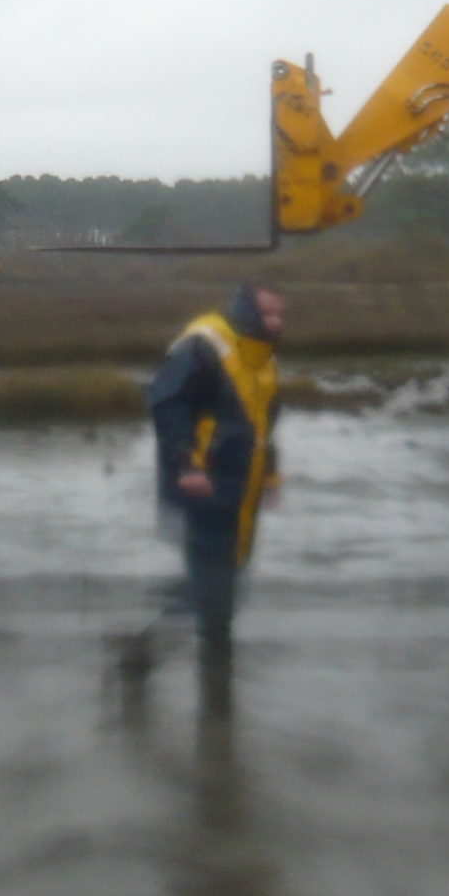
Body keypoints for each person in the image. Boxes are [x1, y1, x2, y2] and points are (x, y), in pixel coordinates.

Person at [127, 283, 284, 669]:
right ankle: (203, 676)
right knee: (216, 589)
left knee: (227, 581)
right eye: (268, 313)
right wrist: (187, 466)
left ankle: (151, 652)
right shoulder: (204, 344)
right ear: (246, 310)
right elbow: (169, 404)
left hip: (240, 487)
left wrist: (271, 475)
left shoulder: (262, 358)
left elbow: (262, 423)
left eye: (280, 314)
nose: (277, 323)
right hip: (203, 484)